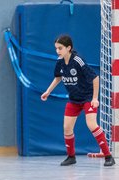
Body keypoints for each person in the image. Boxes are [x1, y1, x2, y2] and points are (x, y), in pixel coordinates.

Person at [41, 34, 115, 167]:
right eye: (56, 48)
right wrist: (48, 91)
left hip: (87, 98)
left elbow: (95, 78)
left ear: (68, 48)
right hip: (74, 99)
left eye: (60, 48)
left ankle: (108, 156)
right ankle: (71, 156)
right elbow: (58, 77)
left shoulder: (78, 61)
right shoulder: (60, 61)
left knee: (92, 125)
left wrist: (94, 99)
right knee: (67, 128)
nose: (57, 51)